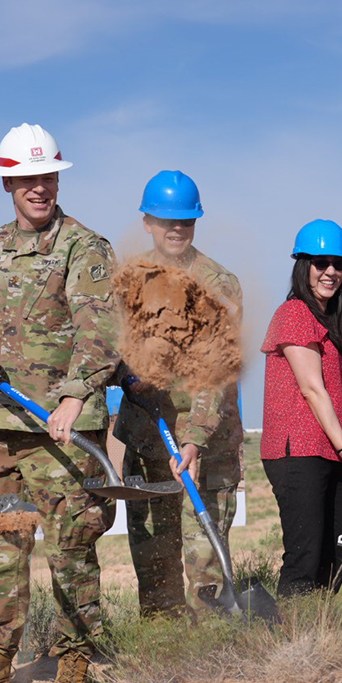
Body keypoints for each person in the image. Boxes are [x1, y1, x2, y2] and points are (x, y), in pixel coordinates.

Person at [0, 123, 119, 683]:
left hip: (64, 430)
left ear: (56, 177)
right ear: (8, 184)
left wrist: (74, 397)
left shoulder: (84, 247)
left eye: (46, 176)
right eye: (26, 179)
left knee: (72, 548)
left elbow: (102, 330)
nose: (38, 187)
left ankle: (74, 668)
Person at [114, 171, 244, 617]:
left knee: (204, 570)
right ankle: (161, 656)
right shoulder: (128, 281)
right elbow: (107, 351)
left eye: (185, 221)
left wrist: (194, 438)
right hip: (149, 444)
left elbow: (217, 372)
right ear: (147, 221)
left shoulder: (218, 283)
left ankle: (208, 664)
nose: (175, 228)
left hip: (204, 449)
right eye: (165, 219)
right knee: (154, 569)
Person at [260, 219, 342, 597]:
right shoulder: (294, 314)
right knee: (305, 558)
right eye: (321, 263)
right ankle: (293, 645)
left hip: (328, 447)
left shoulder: (330, 319)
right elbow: (310, 389)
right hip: (298, 451)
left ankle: (319, 632)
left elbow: (326, 389)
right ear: (302, 265)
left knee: (339, 552)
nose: (331, 272)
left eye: (339, 264)